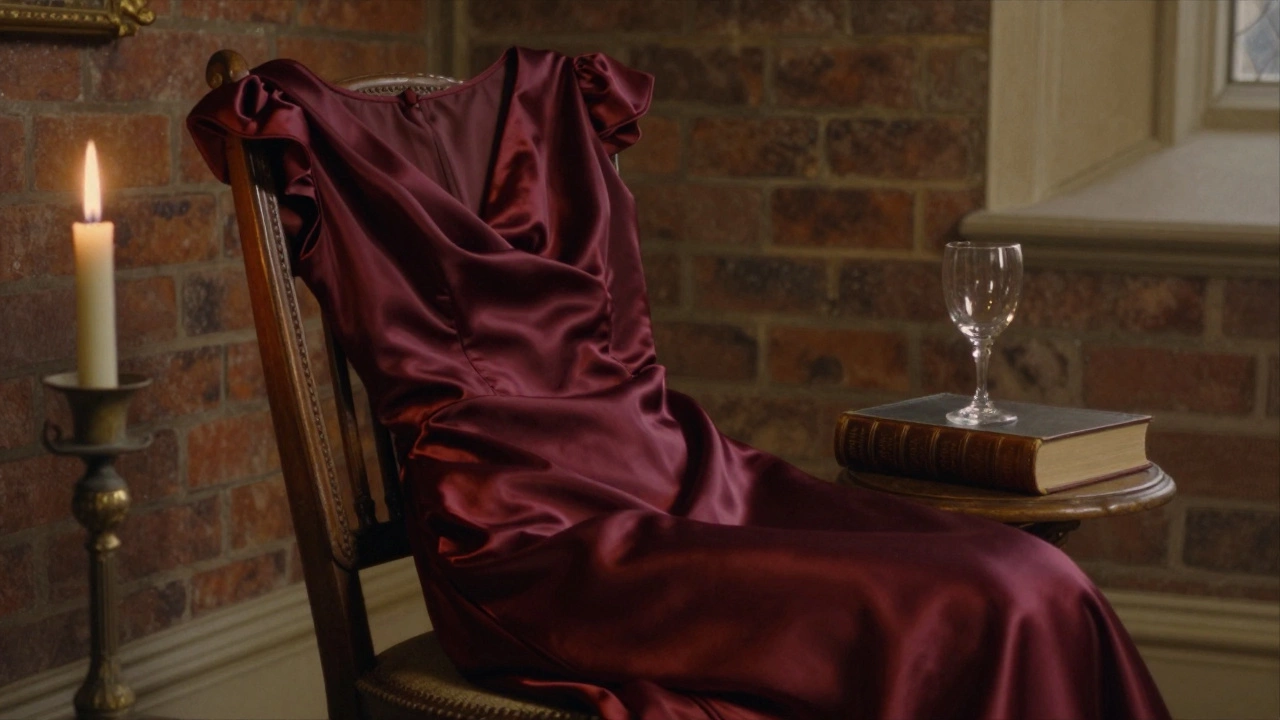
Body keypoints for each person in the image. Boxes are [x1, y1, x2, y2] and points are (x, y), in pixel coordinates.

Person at [188, 47, 1170, 720]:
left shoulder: (566, 101)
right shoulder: (302, 133)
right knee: (965, 604)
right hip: (527, 539)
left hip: (679, 470)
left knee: (1031, 578)